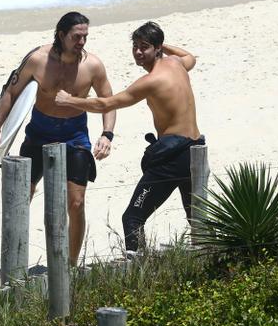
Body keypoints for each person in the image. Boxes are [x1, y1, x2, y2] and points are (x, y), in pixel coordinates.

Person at [55, 21, 204, 253]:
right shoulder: (177, 64)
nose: (138, 52)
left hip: (173, 158)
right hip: (196, 151)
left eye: (144, 47)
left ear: (157, 48)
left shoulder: (151, 81)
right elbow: (189, 56)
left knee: (132, 218)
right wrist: (162, 47)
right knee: (197, 221)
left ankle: (139, 271)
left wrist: (70, 101)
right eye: (135, 46)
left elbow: (107, 103)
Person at [0, 11, 116, 266]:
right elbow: (11, 91)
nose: (81, 42)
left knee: (77, 202)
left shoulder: (92, 65)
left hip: (75, 134)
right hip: (39, 131)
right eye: (76, 36)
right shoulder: (37, 60)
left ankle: (70, 264)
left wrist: (107, 134)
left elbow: (108, 101)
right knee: (21, 194)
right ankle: (14, 259)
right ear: (61, 34)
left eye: (85, 36)